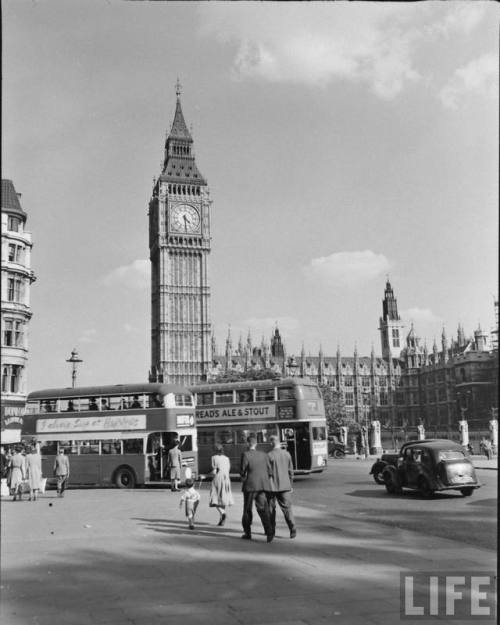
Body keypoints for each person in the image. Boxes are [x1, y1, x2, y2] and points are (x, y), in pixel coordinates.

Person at [240, 434, 273, 542]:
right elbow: (270, 471)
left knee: (247, 510)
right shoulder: (264, 455)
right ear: (256, 444)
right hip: (263, 486)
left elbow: (242, 471)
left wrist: (243, 476)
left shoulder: (246, 454)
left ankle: (247, 533)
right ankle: (269, 532)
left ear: (247, 443)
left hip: (250, 486)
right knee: (263, 509)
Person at [267, 435, 297, 539]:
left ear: (272, 443)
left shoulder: (269, 455)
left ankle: (271, 532)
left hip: (272, 487)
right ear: (279, 443)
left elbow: (268, 473)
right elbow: (291, 472)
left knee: (271, 510)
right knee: (287, 509)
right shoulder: (287, 454)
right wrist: (291, 485)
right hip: (285, 486)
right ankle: (292, 528)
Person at [209, 444, 234, 526]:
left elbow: (214, 469)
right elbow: (228, 469)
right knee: (223, 499)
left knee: (215, 498)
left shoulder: (213, 458)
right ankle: (221, 520)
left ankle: (223, 514)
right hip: (226, 479)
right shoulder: (227, 458)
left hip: (218, 478)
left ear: (215, 450)